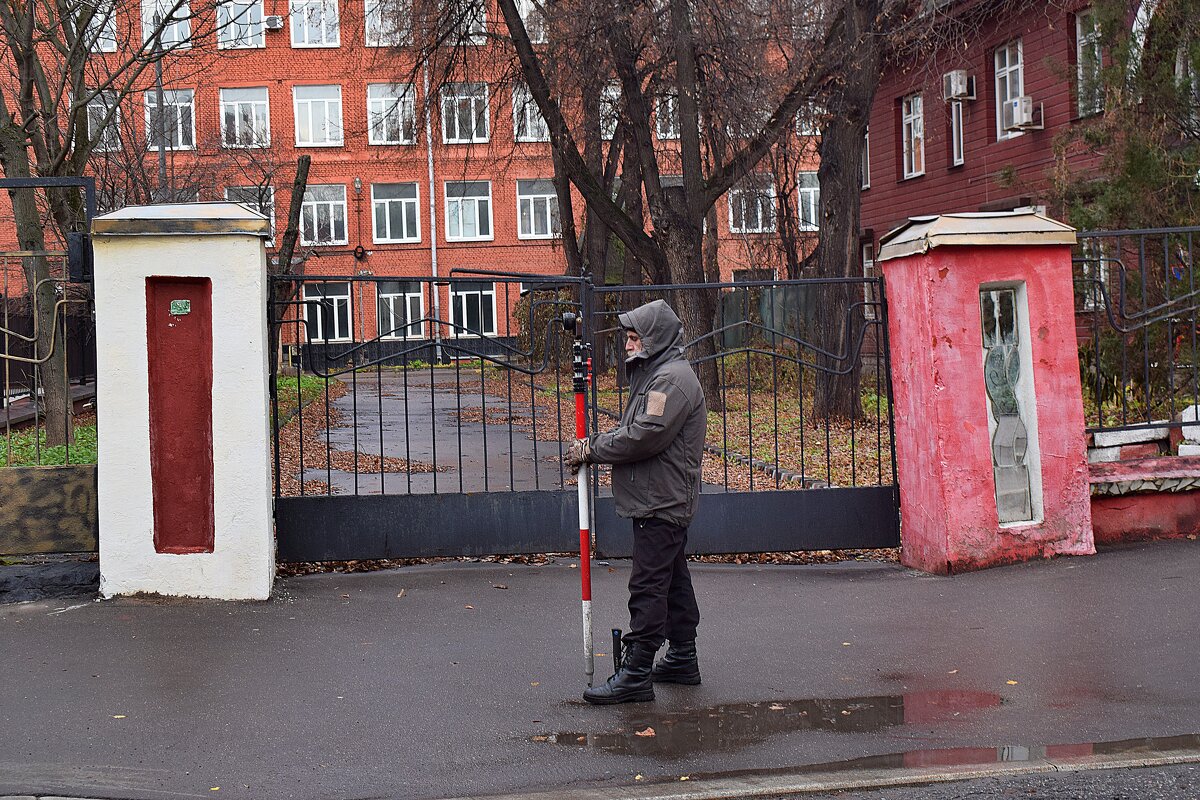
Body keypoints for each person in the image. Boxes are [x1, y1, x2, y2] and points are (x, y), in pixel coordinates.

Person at [566, 299, 707, 705]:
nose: (628, 345)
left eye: (634, 338)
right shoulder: (657, 375)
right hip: (660, 498)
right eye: (628, 338)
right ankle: (682, 657)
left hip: (660, 502)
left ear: (654, 338)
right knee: (673, 581)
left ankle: (636, 672)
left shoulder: (671, 381)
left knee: (648, 585)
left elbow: (644, 434)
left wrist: (592, 448)